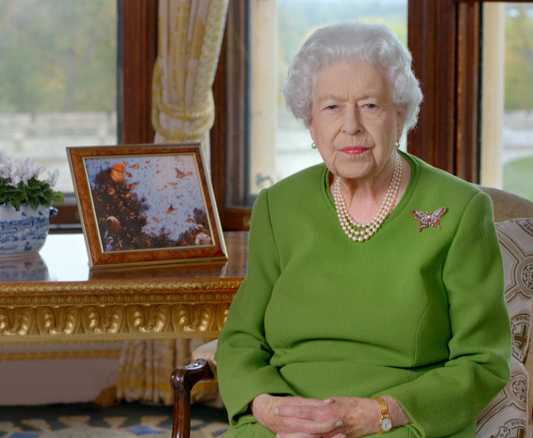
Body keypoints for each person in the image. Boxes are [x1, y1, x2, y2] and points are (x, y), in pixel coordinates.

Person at [215, 22, 511, 438]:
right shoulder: (277, 206)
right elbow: (241, 338)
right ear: (311, 123)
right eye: (332, 107)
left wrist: (379, 413)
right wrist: (268, 408)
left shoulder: (462, 210)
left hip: (399, 423)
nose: (350, 125)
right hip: (286, 420)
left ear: (401, 113)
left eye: (370, 105)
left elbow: (484, 361)